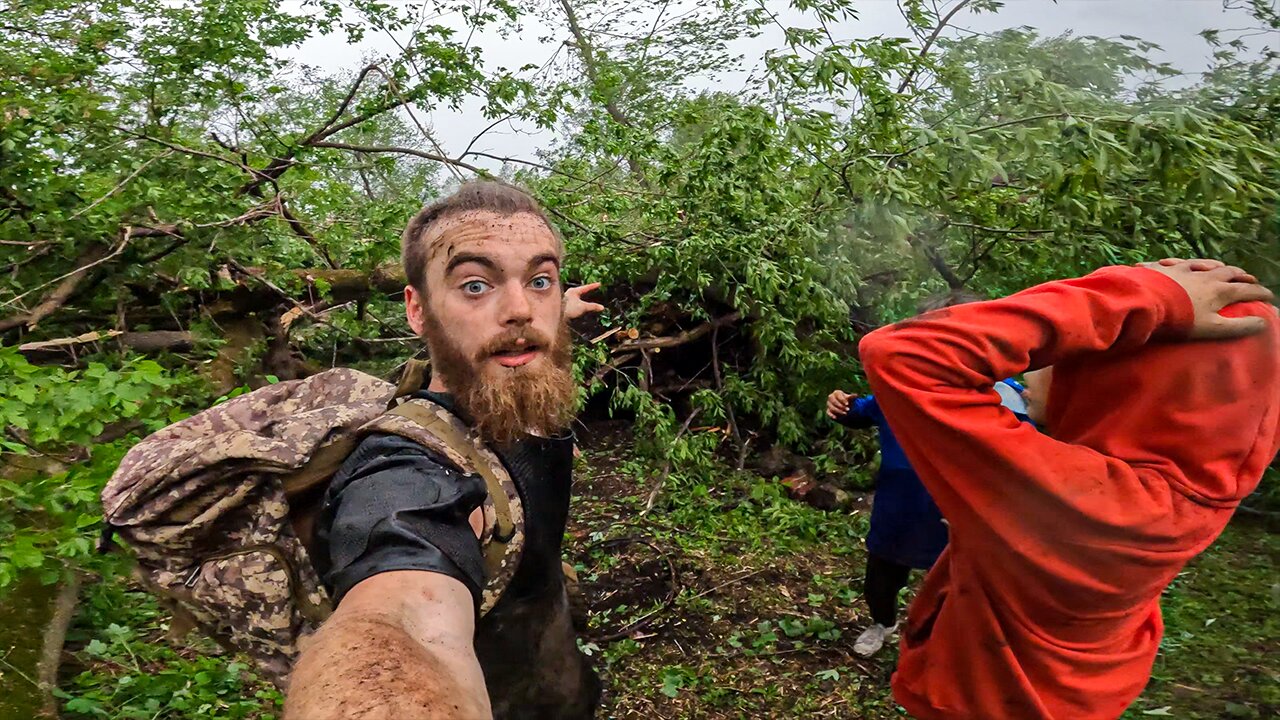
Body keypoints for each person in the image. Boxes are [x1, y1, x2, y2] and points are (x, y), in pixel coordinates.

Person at [857, 258, 1278, 719]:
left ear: (1119, 380)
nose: (1030, 368)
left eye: (1069, 353)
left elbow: (904, 354)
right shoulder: (1192, 483)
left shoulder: (1093, 497)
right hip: (1073, 694)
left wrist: (1150, 300)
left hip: (981, 699)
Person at [285, 181, 604, 720]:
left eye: (540, 279)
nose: (521, 311)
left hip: (560, 684)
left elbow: (526, 320)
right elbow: (403, 618)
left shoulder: (510, 364)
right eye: (475, 286)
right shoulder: (404, 474)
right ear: (418, 310)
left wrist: (560, 306)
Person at [826, 291, 1031, 657]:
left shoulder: (1008, 398)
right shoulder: (899, 387)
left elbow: (1028, 459)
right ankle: (883, 624)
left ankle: (937, 646)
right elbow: (857, 413)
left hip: (961, 519)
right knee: (880, 582)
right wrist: (841, 404)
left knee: (954, 588)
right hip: (898, 509)